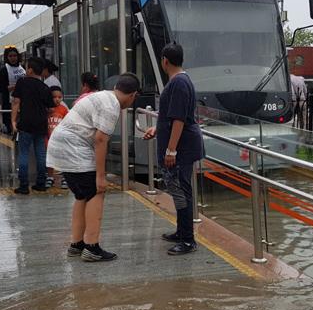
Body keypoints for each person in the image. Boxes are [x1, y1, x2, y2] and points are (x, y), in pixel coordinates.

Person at [47, 73, 140, 262]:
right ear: (133, 95)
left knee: (82, 195)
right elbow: (100, 140)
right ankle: (92, 246)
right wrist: (100, 176)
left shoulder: (103, 96)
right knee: (96, 193)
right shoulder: (111, 106)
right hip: (74, 147)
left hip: (61, 145)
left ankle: (77, 244)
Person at [143, 43, 205, 255]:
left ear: (164, 61)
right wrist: (157, 128)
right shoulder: (181, 81)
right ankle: (181, 231)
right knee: (180, 190)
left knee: (181, 191)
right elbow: (171, 117)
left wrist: (171, 151)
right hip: (184, 144)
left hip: (182, 148)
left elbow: (179, 119)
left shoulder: (178, 83)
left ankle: (188, 240)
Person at [11, 57, 55, 194]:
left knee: (23, 153)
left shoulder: (22, 83)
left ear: (29, 69)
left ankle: (24, 186)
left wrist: (13, 120)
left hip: (25, 123)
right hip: (41, 124)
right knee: (41, 153)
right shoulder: (44, 87)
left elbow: (16, 102)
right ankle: (41, 183)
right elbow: (51, 108)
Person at [0, 46, 26, 134]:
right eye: (10, 56)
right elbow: (0, 88)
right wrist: (15, 86)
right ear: (7, 57)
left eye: (15, 55)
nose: (13, 58)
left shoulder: (23, 68)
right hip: (9, 102)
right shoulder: (4, 70)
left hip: (24, 101)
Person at [47, 85, 70, 189]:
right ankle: (50, 177)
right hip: (48, 139)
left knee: (63, 159)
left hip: (61, 140)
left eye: (59, 97)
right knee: (49, 160)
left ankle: (65, 178)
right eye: (54, 97)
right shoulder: (46, 109)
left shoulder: (64, 110)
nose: (57, 99)